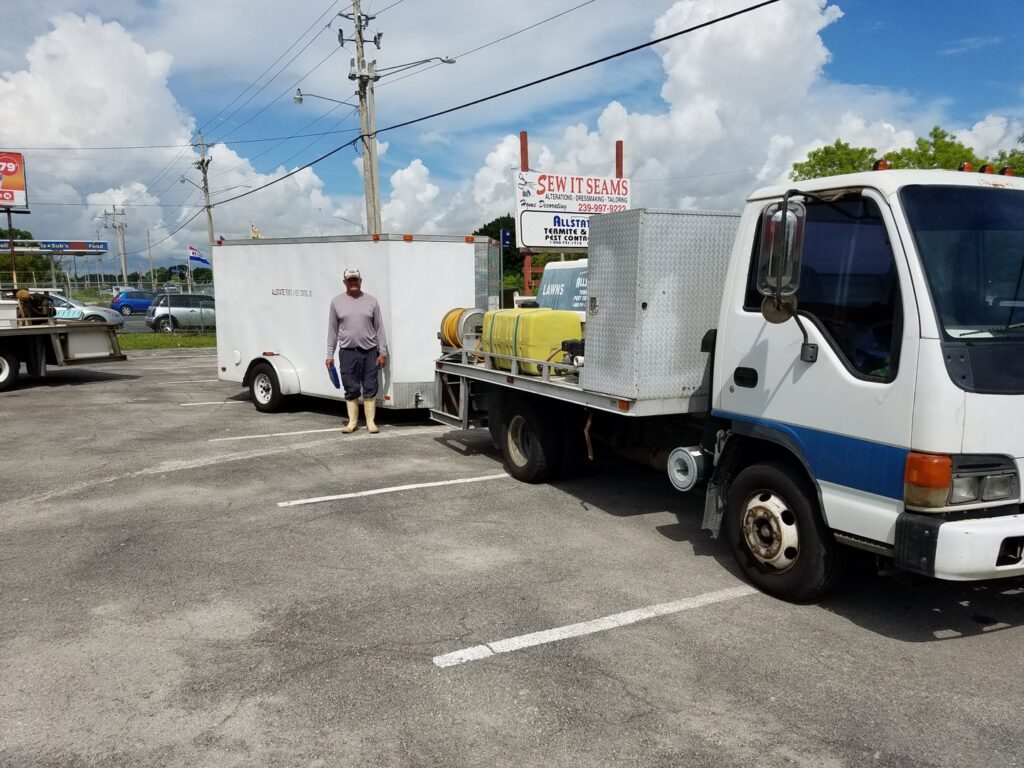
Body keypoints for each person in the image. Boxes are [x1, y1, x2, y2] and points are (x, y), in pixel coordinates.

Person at [325, 268, 389, 433]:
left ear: (361, 281)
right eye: (350, 280)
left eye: (356, 280)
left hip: (369, 352)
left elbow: (379, 328)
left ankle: (370, 423)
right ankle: (352, 423)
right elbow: (332, 330)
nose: (353, 283)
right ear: (345, 282)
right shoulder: (336, 302)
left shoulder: (372, 301)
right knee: (351, 387)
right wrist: (329, 355)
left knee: (370, 386)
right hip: (347, 352)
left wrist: (382, 353)